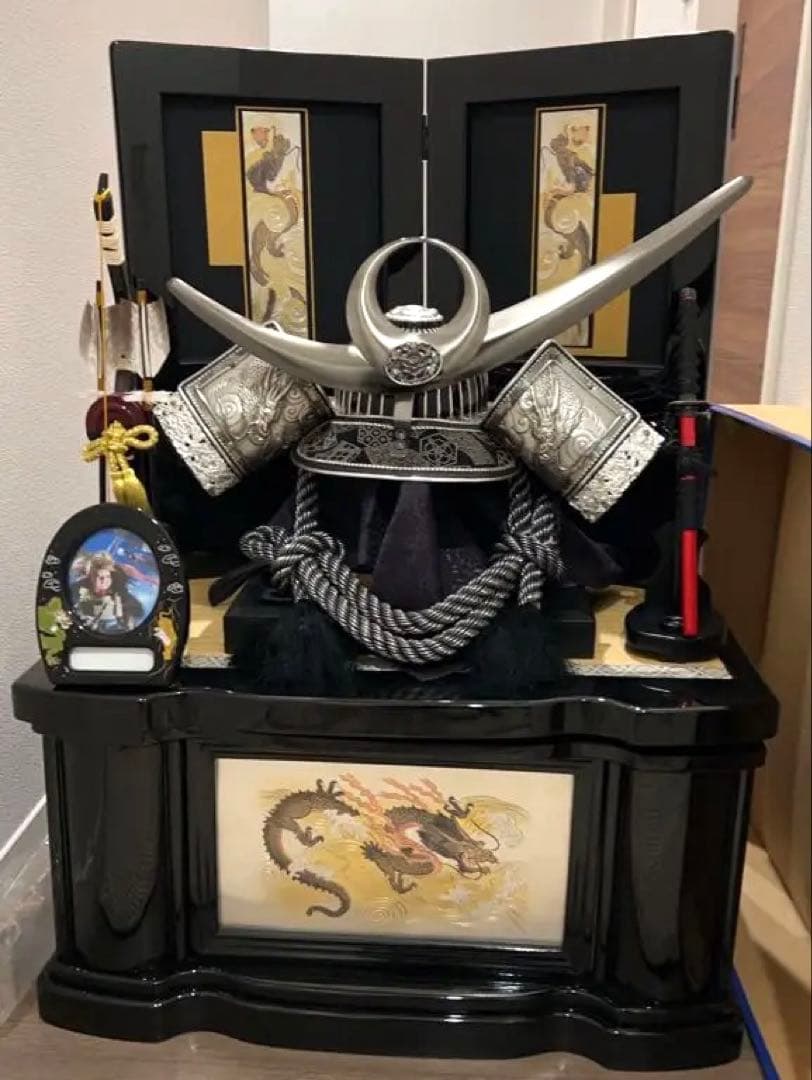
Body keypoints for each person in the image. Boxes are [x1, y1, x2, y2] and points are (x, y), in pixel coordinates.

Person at [72, 551, 142, 634]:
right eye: (100, 577)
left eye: (108, 576)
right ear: (91, 577)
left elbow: (137, 610)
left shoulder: (120, 594)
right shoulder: (78, 590)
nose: (104, 580)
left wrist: (126, 616)